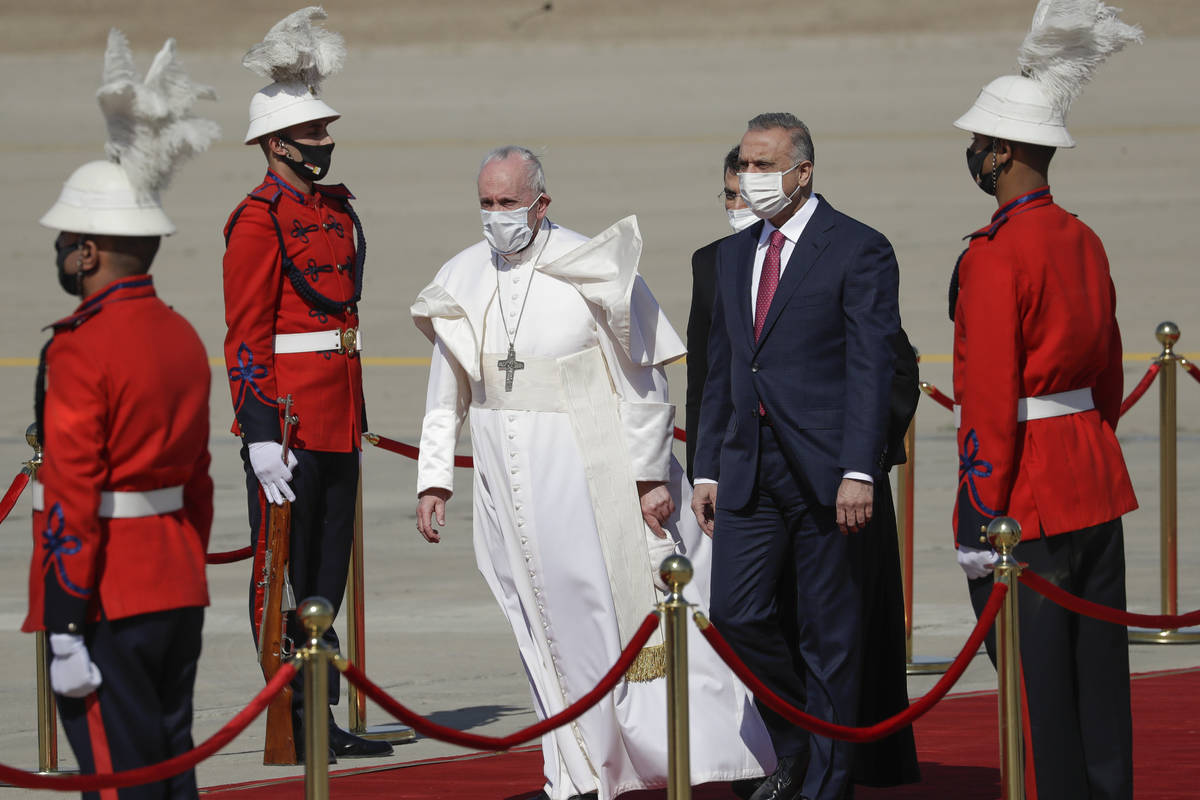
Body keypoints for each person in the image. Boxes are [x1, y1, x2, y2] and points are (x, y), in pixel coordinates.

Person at [412, 146, 774, 800]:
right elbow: (448, 390)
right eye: (487, 205)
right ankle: (575, 772)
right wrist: (435, 476)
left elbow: (644, 377)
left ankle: (705, 762)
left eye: (508, 203)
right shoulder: (462, 275)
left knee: (618, 625)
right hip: (506, 482)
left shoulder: (593, 265)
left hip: (589, 474)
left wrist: (649, 475)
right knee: (543, 628)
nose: (497, 218)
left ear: (541, 203)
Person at [950, 3, 1142, 797]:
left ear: (1000, 154)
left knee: (1038, 687)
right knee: (1100, 679)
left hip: (1024, 490)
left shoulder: (996, 257)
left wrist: (979, 503)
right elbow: (1108, 370)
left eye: (978, 144)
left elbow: (987, 397)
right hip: (1093, 470)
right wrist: (1088, 438)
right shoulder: (1082, 237)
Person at [692, 113, 909, 800]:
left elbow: (873, 369)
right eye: (746, 166)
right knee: (734, 614)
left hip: (826, 475)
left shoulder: (858, 248)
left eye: (765, 165)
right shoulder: (732, 256)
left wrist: (859, 469)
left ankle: (825, 784)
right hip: (750, 469)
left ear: (803, 171)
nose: (752, 178)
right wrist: (707, 466)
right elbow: (724, 367)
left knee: (829, 637)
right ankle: (798, 749)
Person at [23, 29, 216, 799]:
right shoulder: (181, 335)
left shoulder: (79, 349)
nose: (64, 251)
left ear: (92, 252)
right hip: (174, 579)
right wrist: (183, 557)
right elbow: (197, 480)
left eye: (70, 240)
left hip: (105, 589)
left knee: (116, 779)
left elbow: (71, 487)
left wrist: (65, 620)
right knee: (170, 765)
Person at [221, 8, 389, 761]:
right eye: (312, 134)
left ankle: (320, 715)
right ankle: (291, 721)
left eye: (325, 131)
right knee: (285, 578)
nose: (325, 142)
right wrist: (258, 434)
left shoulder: (333, 208)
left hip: (336, 417)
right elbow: (246, 336)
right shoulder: (258, 220)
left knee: (326, 575)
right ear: (277, 144)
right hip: (287, 426)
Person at [685, 144, 751, 480]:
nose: (737, 207)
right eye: (729, 195)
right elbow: (702, 376)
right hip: (733, 459)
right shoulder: (709, 263)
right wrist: (701, 470)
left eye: (747, 197)